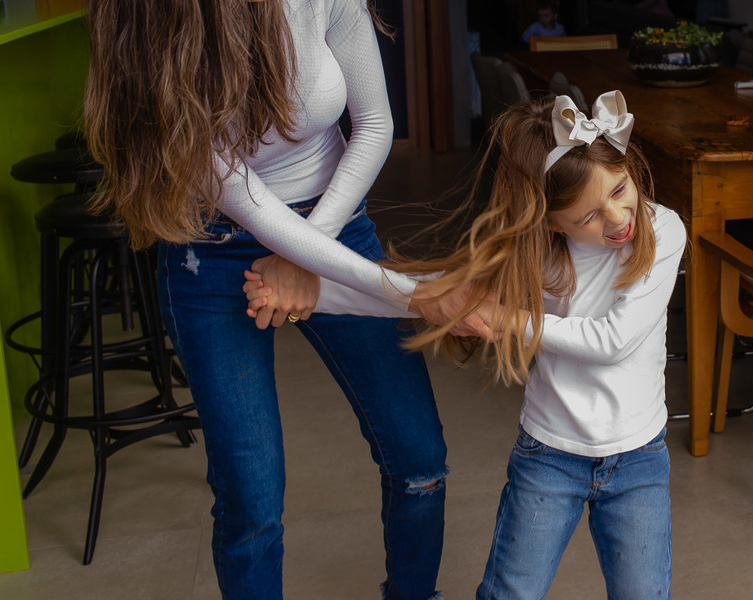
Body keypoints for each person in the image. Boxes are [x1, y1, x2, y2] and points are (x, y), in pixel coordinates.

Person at [82, 0, 480, 598]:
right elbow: (249, 202)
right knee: (253, 499)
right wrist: (424, 293)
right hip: (213, 252)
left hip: (334, 221)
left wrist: (311, 259)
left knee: (419, 460)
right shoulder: (157, 47)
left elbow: (376, 128)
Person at [246, 90, 687, 599]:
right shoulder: (536, 257)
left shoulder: (661, 230)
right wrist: (313, 291)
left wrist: (504, 317)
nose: (616, 218)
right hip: (549, 457)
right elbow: (424, 294)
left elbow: (614, 341)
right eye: (588, 217)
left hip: (638, 461)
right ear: (548, 220)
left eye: (620, 188)